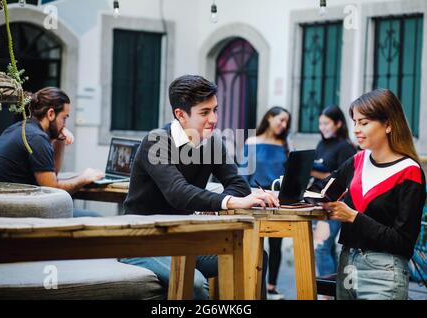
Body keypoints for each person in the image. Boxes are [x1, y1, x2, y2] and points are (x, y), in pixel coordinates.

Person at [120, 75, 278, 299]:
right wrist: (227, 202)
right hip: (142, 243)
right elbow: (178, 192)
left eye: (215, 110)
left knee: (255, 254)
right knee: (194, 283)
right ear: (180, 115)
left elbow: (238, 185)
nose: (213, 119)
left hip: (182, 239)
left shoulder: (212, 142)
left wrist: (217, 204)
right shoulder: (156, 142)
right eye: (205, 112)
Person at [318, 89, 426, 300]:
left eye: (364, 123)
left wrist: (353, 217)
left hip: (383, 273)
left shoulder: (409, 172)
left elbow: (403, 242)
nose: (356, 129)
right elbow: (323, 189)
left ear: (388, 124)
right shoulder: (358, 161)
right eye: (355, 122)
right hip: (347, 264)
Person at [0, 87, 105, 216]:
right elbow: (52, 190)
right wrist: (84, 178)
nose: (65, 124)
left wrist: (59, 139)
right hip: (16, 215)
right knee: (96, 218)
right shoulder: (37, 139)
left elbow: (52, 176)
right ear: (51, 114)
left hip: (2, 208)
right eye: (64, 118)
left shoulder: (21, 128)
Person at [243, 106, 291, 299]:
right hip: (255, 199)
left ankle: (271, 286)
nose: (284, 125)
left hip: (277, 201)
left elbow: (290, 174)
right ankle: (253, 284)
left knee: (277, 244)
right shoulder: (251, 142)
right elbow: (244, 174)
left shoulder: (286, 144)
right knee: (253, 243)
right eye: (281, 120)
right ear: (269, 118)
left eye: (286, 121)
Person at [310, 106, 357, 278]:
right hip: (320, 201)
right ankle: (335, 290)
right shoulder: (322, 144)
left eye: (326, 123)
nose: (322, 127)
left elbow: (342, 177)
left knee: (321, 246)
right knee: (326, 247)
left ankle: (326, 294)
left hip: (337, 203)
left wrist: (311, 171)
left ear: (338, 123)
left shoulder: (345, 147)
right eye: (320, 123)